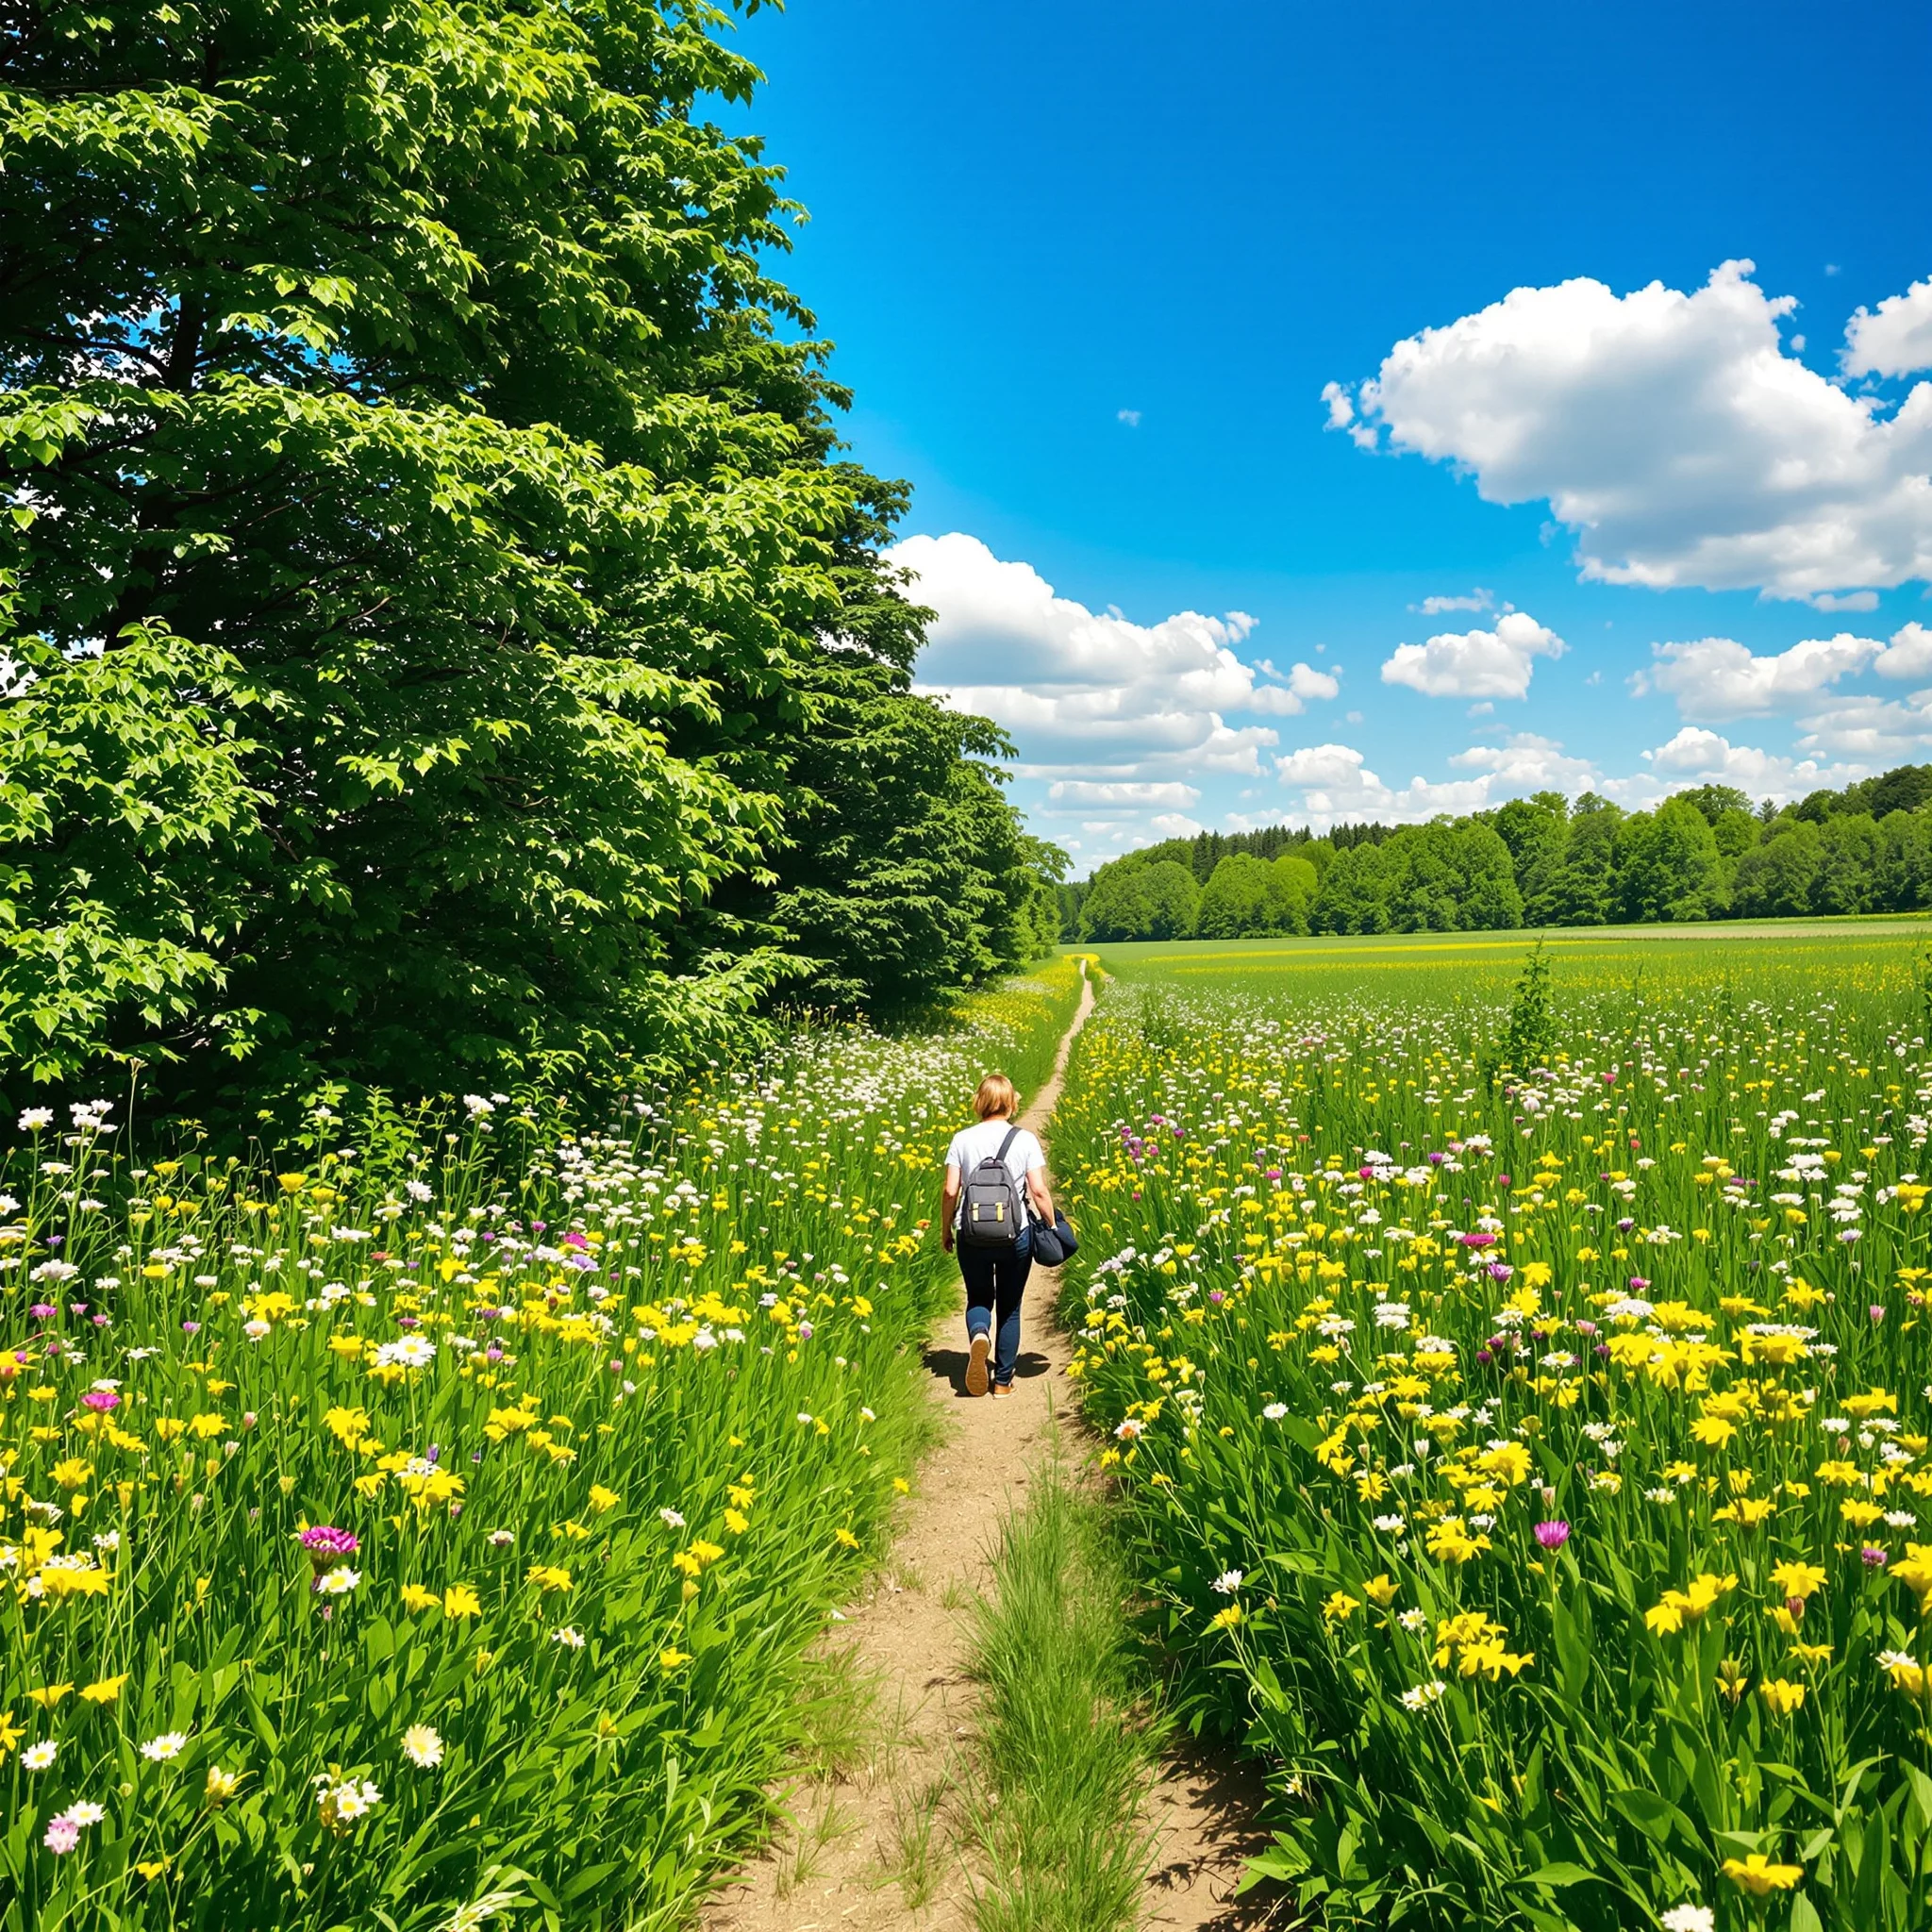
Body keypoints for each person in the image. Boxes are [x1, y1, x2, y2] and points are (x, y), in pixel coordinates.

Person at [941, 1073, 1057, 1398]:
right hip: (1015, 1235)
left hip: (971, 1233)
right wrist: (1052, 1226)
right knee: (1010, 1307)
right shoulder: (1025, 1139)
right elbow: (1038, 1191)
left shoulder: (962, 1139)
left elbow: (951, 1190)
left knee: (978, 1297)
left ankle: (979, 1334)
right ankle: (1003, 1382)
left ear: (980, 1102)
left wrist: (946, 1229)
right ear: (1010, 1102)